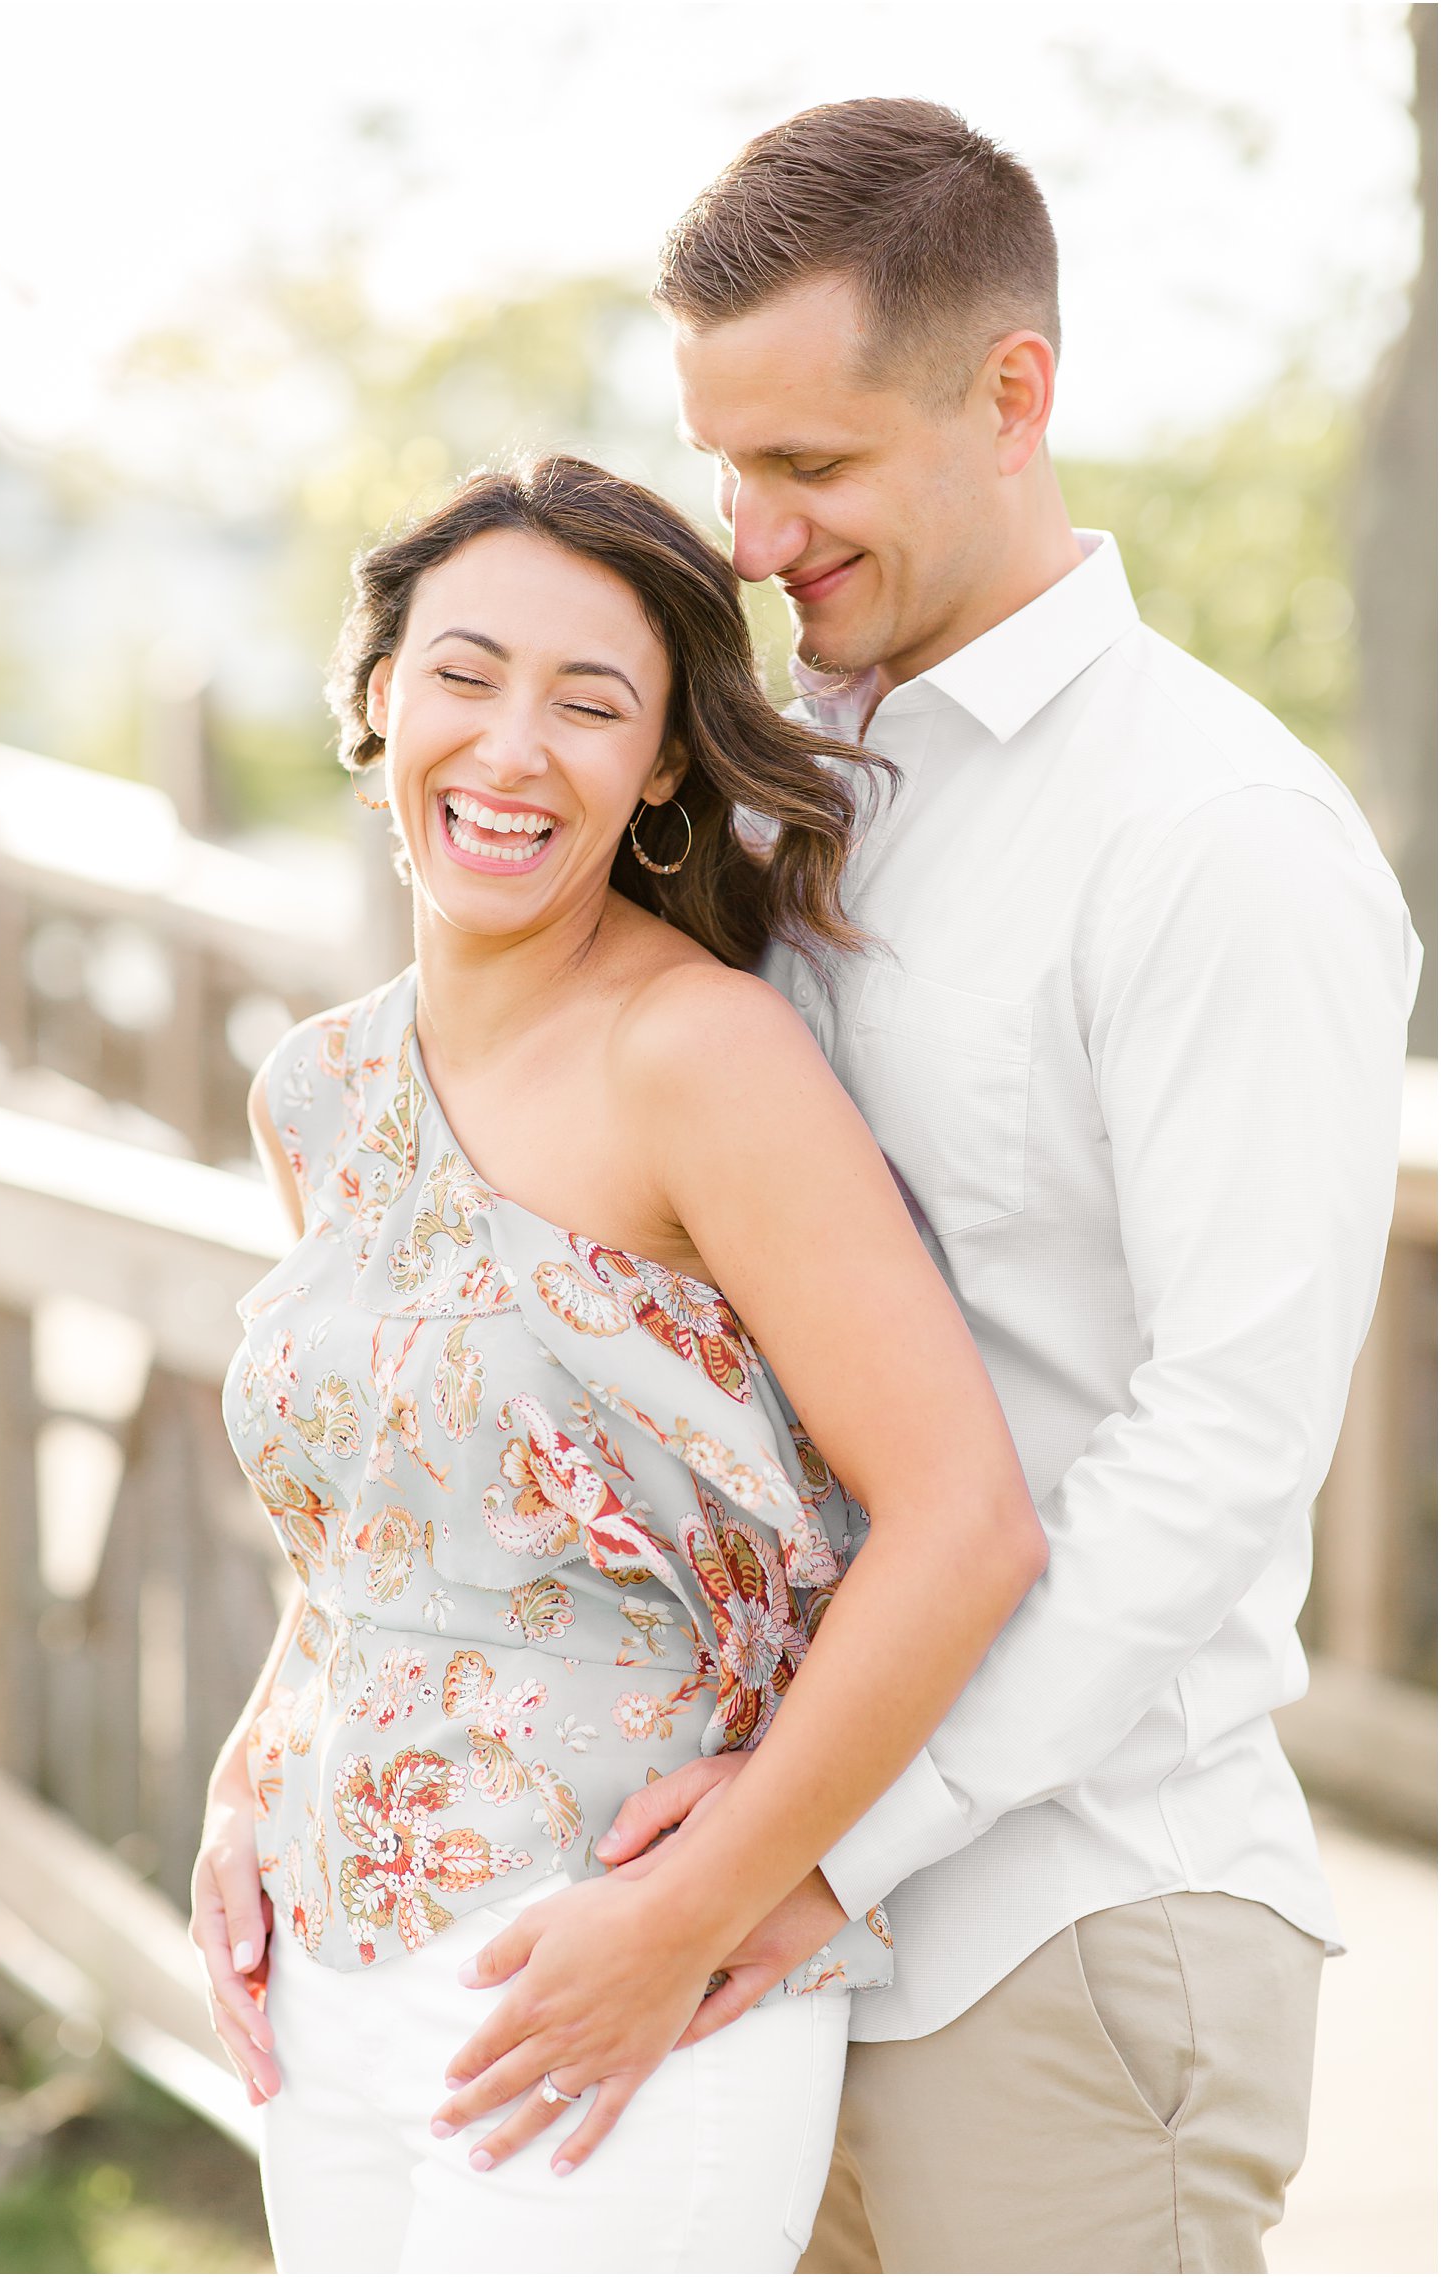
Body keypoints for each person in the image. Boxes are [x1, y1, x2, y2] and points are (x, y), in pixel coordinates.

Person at [455, 99, 1422, 2276]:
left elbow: (1223, 1441)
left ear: (1012, 395)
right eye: (724, 464)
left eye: (810, 465)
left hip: (1055, 1927)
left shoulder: (1217, 840)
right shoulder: (767, 786)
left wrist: (818, 1847)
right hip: (741, 1941)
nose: (751, 535)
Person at [190, 453, 1048, 2275]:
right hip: (323, 1973)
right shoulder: (318, 1088)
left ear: (661, 764)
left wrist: (705, 1909)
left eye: (589, 704)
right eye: (464, 674)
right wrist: (248, 1769)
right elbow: (377, 1519)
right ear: (379, 697)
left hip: (620, 1977)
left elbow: (965, 1521)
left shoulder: (700, 1057)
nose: (512, 749)